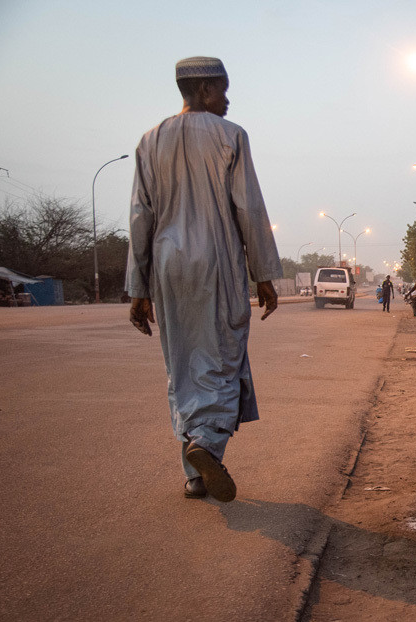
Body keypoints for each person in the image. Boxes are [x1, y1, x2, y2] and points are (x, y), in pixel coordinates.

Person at [127, 56, 281, 503]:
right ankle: (207, 446)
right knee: (223, 361)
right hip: (217, 262)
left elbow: (140, 217)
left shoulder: (149, 140)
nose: (227, 100)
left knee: (181, 366)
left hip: (167, 266)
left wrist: (138, 288)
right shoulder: (231, 135)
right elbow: (248, 207)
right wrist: (263, 275)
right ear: (206, 89)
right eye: (223, 91)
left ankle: (195, 475)